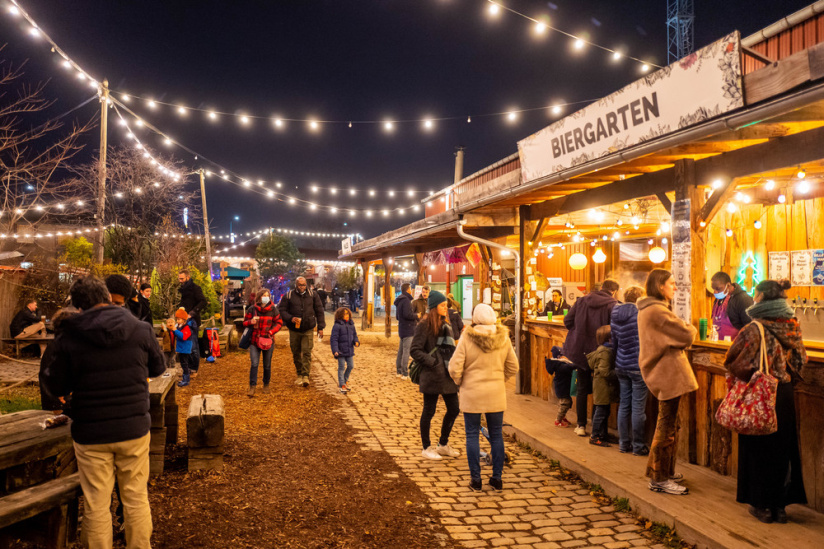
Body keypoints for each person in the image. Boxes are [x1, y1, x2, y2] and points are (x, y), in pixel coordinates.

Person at [39, 276, 165, 548]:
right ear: (108, 296)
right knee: (135, 497)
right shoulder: (141, 328)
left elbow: (52, 382)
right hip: (133, 429)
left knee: (96, 503)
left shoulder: (69, 334)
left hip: (90, 431)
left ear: (76, 305)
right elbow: (158, 368)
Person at [724, 279, 807, 524]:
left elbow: (733, 361)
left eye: (755, 293)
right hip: (783, 393)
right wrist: (785, 379)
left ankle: (762, 506)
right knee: (782, 448)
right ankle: (780, 507)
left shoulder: (753, 328)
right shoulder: (793, 325)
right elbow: (801, 360)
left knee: (757, 448)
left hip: (759, 392)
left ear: (760, 297)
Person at [637, 269, 697, 496]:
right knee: (666, 426)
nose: (675, 287)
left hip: (663, 372)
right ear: (661, 285)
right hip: (667, 373)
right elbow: (687, 334)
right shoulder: (657, 311)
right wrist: (689, 327)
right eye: (672, 283)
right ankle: (659, 478)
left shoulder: (649, 309)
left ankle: (665, 472)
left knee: (670, 424)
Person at [449, 303, 518, 492]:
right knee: (496, 435)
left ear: (475, 320)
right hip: (496, 393)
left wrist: (461, 381)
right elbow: (513, 366)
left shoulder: (467, 338)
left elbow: (454, 367)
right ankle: (497, 479)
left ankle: (476, 480)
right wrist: (499, 379)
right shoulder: (503, 338)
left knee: (472, 435)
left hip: (472, 393)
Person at [563, 278, 619, 436]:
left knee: (582, 388)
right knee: (598, 389)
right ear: (614, 291)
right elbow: (614, 329)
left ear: (601, 287)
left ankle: (580, 425)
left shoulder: (582, 301)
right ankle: (597, 428)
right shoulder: (612, 305)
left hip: (581, 350)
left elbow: (568, 321)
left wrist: (578, 332)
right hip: (600, 351)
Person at [410, 290, 461, 461]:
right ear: (433, 307)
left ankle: (443, 444)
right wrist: (432, 362)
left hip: (447, 374)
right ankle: (426, 447)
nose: (446, 308)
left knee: (454, 408)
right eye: (442, 305)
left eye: (446, 305)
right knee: (429, 411)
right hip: (432, 374)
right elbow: (414, 350)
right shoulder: (424, 325)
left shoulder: (445, 323)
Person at [611, 285, 649, 456]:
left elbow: (615, 340)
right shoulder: (641, 314)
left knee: (624, 405)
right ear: (640, 298)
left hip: (621, 364)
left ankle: (623, 443)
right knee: (638, 408)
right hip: (637, 365)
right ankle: (638, 446)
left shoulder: (615, 313)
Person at [278, 276, 326, 387]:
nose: (302, 287)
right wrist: (290, 318)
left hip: (308, 328)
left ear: (306, 285)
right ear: (296, 285)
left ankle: (305, 375)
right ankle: (299, 373)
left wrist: (320, 327)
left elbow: (319, 310)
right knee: (295, 352)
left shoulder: (313, 295)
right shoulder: (289, 296)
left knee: (307, 351)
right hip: (294, 329)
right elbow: (282, 310)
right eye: (300, 285)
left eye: (304, 285)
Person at [243, 289, 283, 397]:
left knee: (267, 364)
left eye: (267, 295)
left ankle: (266, 384)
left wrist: (271, 331)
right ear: (259, 297)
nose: (266, 297)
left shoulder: (273, 310)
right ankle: (252, 386)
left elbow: (279, 323)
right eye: (264, 295)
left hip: (268, 340)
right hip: (254, 341)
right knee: (254, 364)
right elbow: (245, 322)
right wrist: (251, 322)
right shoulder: (252, 309)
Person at [588, 325, 618, 447]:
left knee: (604, 412)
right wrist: (619, 372)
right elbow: (604, 371)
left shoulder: (603, 350)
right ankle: (595, 436)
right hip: (603, 386)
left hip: (602, 386)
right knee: (601, 412)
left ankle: (602, 434)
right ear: (609, 339)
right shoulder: (605, 352)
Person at [178, 270, 207, 377]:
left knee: (193, 345)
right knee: (186, 345)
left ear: (187, 277)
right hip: (183, 319)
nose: (180, 281)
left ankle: (194, 368)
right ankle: (188, 368)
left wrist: (193, 312)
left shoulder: (195, 288)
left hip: (192, 321)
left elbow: (203, 301)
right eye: (179, 278)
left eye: (182, 279)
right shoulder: (183, 290)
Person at [710, 271, 754, 341]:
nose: (715, 292)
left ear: (728, 285)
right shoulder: (720, 298)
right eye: (713, 289)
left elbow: (750, 327)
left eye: (718, 289)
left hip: (734, 346)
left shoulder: (743, 299)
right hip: (717, 345)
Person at [330, 307, 359, 393]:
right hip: (340, 351)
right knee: (341, 367)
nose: (346, 315)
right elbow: (333, 339)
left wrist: (356, 341)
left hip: (349, 350)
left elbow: (354, 335)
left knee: (351, 366)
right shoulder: (337, 326)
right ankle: (342, 384)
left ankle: (345, 380)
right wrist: (335, 350)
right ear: (340, 315)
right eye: (344, 314)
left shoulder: (351, 324)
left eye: (347, 314)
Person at [394, 283, 418, 379]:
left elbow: (397, 316)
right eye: (411, 288)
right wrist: (417, 316)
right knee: (406, 351)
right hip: (408, 328)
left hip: (402, 328)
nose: (411, 290)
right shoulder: (407, 301)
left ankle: (399, 371)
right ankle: (404, 373)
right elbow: (408, 315)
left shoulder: (399, 300)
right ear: (408, 289)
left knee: (401, 351)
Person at [173, 308, 196, 387]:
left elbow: (183, 337)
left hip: (185, 349)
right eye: (177, 319)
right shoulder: (180, 326)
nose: (177, 321)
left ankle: (186, 380)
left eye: (179, 319)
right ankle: (185, 377)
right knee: (183, 364)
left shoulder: (187, 328)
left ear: (184, 320)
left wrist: (175, 330)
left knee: (184, 364)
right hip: (181, 348)